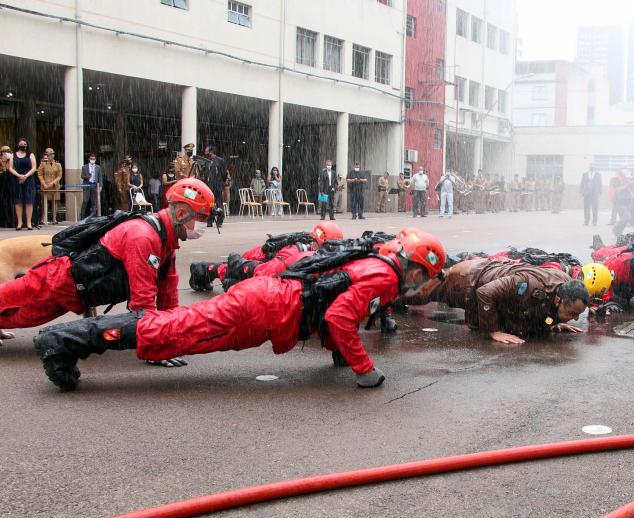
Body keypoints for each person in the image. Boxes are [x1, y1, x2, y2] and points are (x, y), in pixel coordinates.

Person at [35, 229, 447, 391]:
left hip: (266, 301)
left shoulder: (375, 261)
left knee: (175, 327)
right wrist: (364, 370)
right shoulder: (384, 276)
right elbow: (340, 317)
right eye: (426, 277)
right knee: (170, 331)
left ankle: (69, 341)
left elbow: (332, 301)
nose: (422, 286)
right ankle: (65, 342)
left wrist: (341, 352)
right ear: (417, 268)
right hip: (262, 309)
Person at [9, 178, 215, 385]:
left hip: (70, 290)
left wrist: (171, 337)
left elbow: (167, 293)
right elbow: (142, 303)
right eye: (201, 218)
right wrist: (155, 346)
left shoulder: (166, 240)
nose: (203, 225)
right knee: (13, 313)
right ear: (181, 214)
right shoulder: (144, 237)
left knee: (17, 318)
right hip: (53, 282)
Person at [404, 258, 588, 344]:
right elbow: (485, 292)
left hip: (485, 271)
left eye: (577, 315)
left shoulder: (565, 285)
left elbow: (542, 309)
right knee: (416, 294)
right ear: (558, 300)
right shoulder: (528, 284)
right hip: (467, 279)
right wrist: (493, 331)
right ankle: (383, 296)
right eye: (572, 313)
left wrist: (555, 322)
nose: (573, 318)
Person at [188, 221, 345, 292]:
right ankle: (202, 270)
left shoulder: (308, 245)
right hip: (258, 260)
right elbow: (265, 272)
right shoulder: (296, 251)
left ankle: (204, 270)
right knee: (233, 271)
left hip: (264, 258)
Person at [9, 138, 38, 231]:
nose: (23, 145)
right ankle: (20, 222)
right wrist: (19, 176)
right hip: (16, 179)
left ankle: (29, 223)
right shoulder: (13, 155)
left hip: (28, 179)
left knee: (29, 201)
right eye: (21, 144)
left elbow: (34, 167)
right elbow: (10, 167)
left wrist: (25, 176)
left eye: (25, 144)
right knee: (18, 201)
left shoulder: (30, 154)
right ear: (18, 145)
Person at [203, 145, 229, 227]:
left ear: (211, 152)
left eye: (206, 150)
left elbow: (224, 173)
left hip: (217, 186)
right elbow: (206, 173)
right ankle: (210, 220)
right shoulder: (207, 161)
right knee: (210, 203)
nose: (205, 152)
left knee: (218, 203)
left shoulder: (220, 161)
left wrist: (221, 182)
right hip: (209, 186)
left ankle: (220, 220)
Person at [37, 148, 62, 226]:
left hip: (54, 186)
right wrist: (44, 183)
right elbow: (39, 174)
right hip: (45, 186)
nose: (50, 155)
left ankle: (54, 218)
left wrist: (53, 182)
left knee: (55, 202)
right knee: (44, 202)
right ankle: (44, 218)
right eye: (48, 154)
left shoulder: (58, 164)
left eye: (51, 154)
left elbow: (59, 175)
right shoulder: (43, 164)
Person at [80, 153, 101, 218]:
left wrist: (100, 186)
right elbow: (82, 176)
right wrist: (87, 177)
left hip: (94, 185)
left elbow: (100, 177)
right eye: (91, 159)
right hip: (87, 185)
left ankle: (93, 215)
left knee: (94, 201)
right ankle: (82, 215)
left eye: (94, 159)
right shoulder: (84, 167)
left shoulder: (98, 167)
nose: (93, 160)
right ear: (89, 159)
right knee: (85, 200)